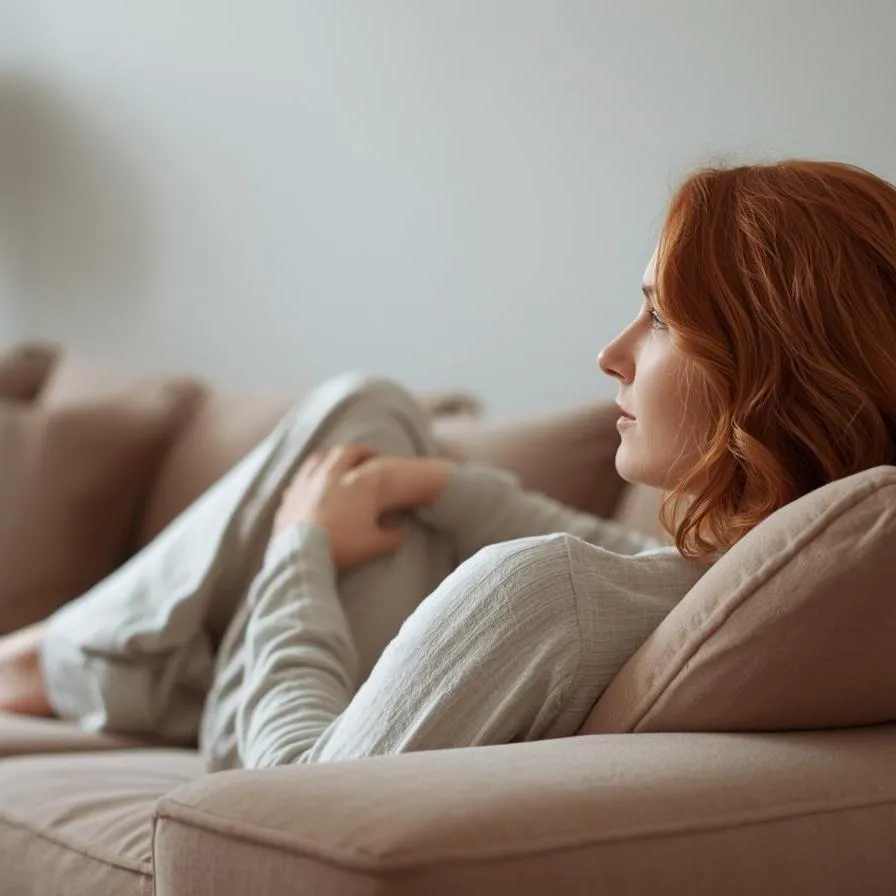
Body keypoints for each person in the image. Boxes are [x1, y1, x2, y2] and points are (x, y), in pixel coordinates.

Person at [2, 159, 896, 768]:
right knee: (371, 412)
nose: (610, 354)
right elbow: (632, 580)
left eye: (659, 319)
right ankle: (70, 654)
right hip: (385, 693)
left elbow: (295, 799)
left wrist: (299, 549)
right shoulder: (807, 571)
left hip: (270, 732)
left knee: (352, 424)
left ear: (767, 369)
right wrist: (443, 486)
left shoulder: (543, 592)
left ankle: (45, 657)